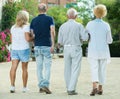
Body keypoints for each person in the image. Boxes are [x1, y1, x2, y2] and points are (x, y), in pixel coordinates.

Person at [58, 8, 88, 95]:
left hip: (66, 48)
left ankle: (68, 87)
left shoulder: (62, 26)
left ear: (67, 16)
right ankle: (71, 89)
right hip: (76, 47)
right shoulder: (79, 26)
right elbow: (85, 38)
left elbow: (60, 41)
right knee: (75, 69)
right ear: (76, 16)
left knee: (67, 69)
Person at [86, 4, 113, 96]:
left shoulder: (89, 24)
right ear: (104, 13)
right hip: (103, 51)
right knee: (102, 69)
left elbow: (86, 37)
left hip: (93, 50)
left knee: (94, 68)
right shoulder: (106, 25)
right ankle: (100, 88)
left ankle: (94, 87)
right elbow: (109, 40)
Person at [30, 3, 55, 94]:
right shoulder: (49, 19)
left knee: (39, 67)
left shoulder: (33, 20)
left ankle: (41, 86)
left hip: (37, 46)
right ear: (46, 9)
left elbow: (32, 35)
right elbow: (52, 31)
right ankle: (45, 85)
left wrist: (34, 44)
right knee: (47, 67)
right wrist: (53, 44)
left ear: (38, 10)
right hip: (46, 45)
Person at [10, 10, 33, 93]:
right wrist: (33, 37)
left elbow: (11, 40)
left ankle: (12, 86)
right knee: (24, 69)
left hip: (15, 49)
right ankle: (24, 87)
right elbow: (27, 39)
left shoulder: (13, 27)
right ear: (26, 17)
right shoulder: (27, 26)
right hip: (24, 49)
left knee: (13, 67)